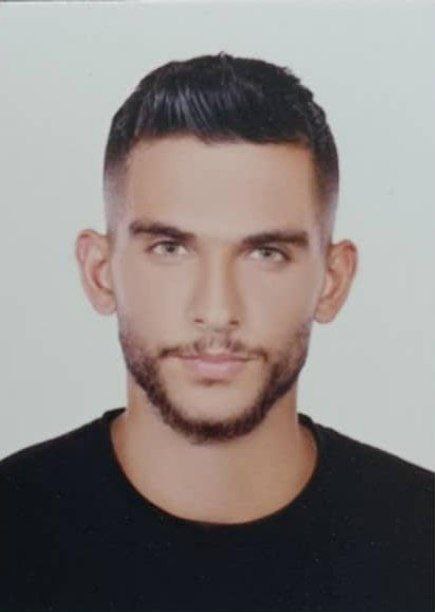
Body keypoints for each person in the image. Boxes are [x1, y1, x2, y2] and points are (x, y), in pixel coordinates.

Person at [0, 52, 433, 612]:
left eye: (266, 253)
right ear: (100, 272)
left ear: (332, 281)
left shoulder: (419, 540)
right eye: (170, 248)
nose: (216, 309)